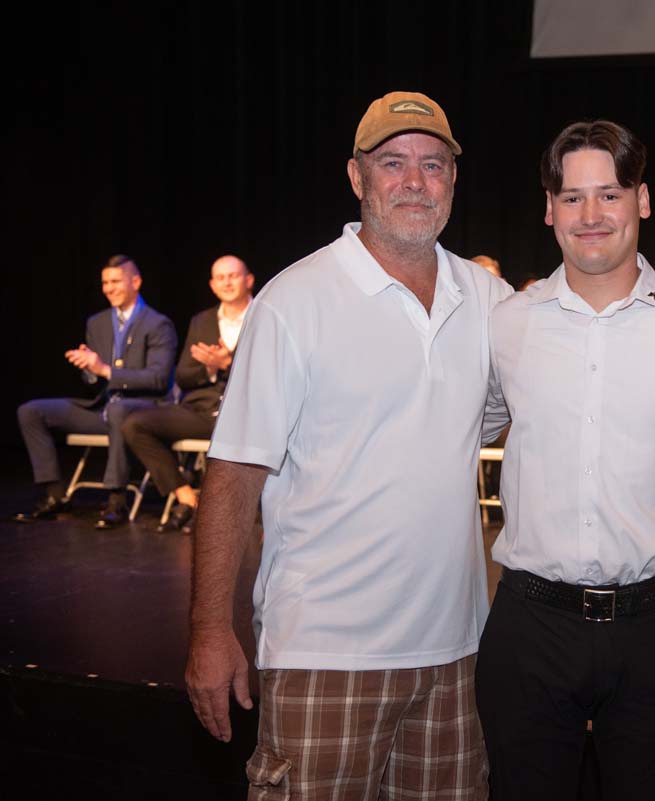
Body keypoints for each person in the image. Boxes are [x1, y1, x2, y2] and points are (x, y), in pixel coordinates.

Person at [185, 91, 509, 801]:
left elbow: (518, 413)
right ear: (357, 177)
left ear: (454, 179)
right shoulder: (294, 301)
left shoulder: (486, 298)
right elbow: (235, 474)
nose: (415, 181)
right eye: (393, 163)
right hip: (324, 653)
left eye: (433, 164)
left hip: (456, 656)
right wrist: (212, 628)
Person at [475, 120, 655, 801]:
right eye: (572, 196)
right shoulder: (509, 325)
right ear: (548, 208)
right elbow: (466, 425)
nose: (590, 215)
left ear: (642, 200)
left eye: (609, 194)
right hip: (530, 628)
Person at [14, 255, 177, 529]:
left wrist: (104, 370)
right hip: (102, 407)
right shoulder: (97, 322)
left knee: (117, 410)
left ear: (135, 282)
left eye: (116, 281)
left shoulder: (158, 324)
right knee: (31, 411)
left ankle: (116, 500)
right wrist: (88, 368)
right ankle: (54, 495)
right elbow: (93, 379)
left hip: (142, 410)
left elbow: (158, 379)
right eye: (105, 282)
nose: (109, 288)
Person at [121, 255, 254, 533]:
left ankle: (216, 511)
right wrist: (209, 370)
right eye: (220, 277)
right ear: (212, 285)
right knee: (135, 424)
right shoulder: (201, 321)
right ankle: (185, 495)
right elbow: (183, 375)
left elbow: (271, 372)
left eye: (233, 276)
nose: (227, 282)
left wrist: (228, 364)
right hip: (202, 411)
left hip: (246, 414)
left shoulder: (263, 317)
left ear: (249, 280)